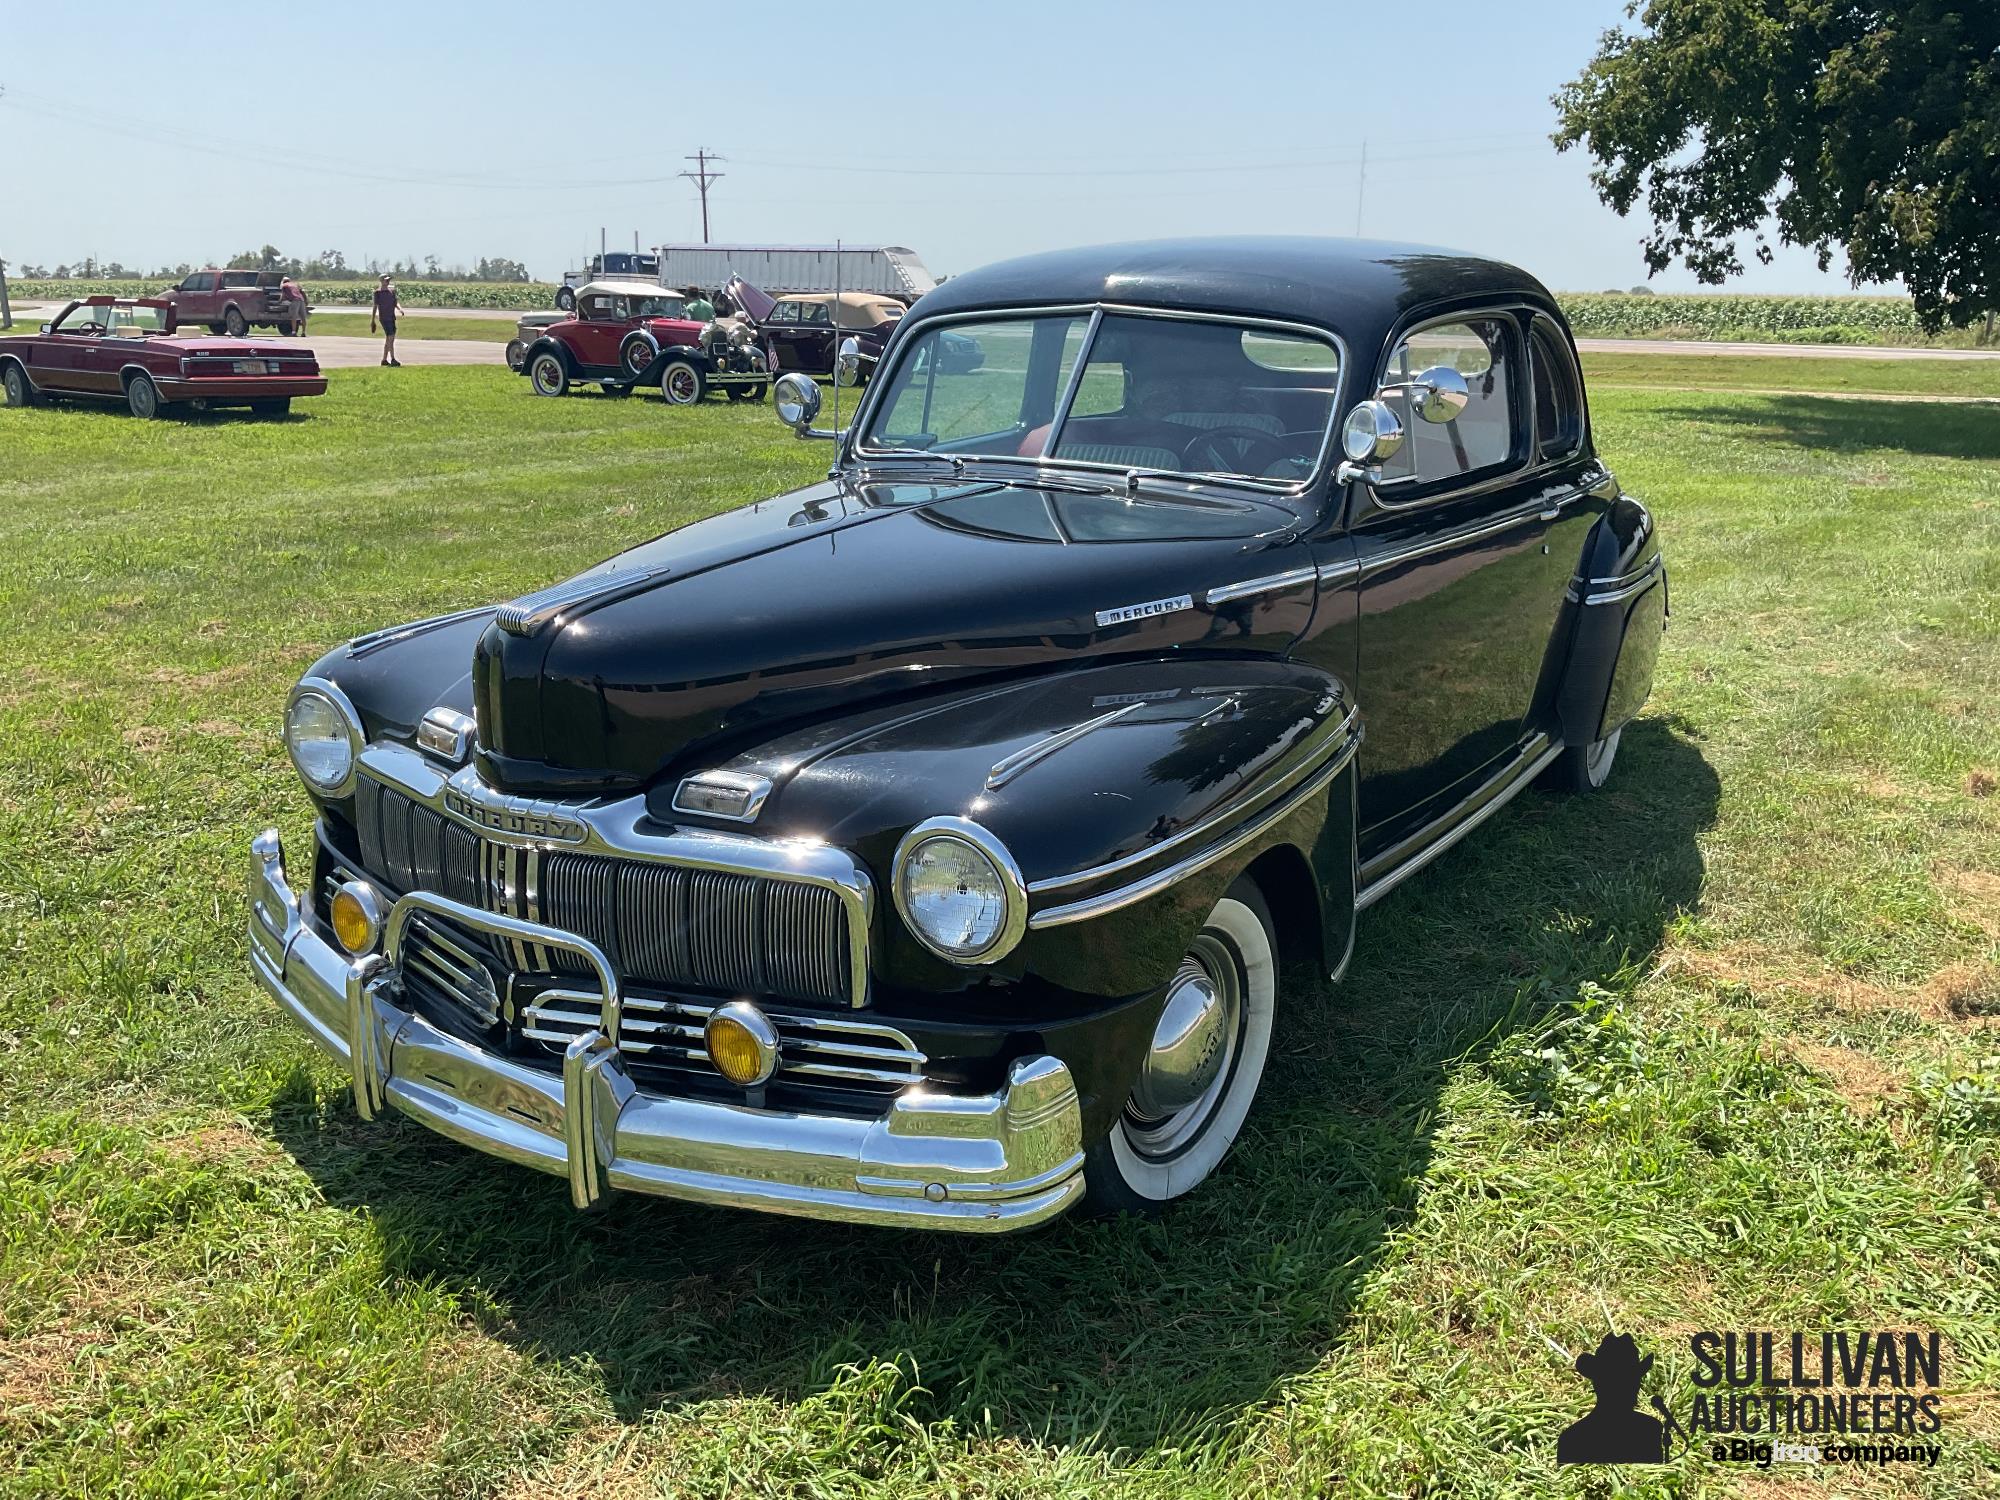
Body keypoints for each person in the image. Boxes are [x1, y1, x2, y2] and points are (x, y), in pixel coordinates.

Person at [370, 274, 403, 367]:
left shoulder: (392, 291)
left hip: (392, 317)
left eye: (389, 280)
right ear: (381, 281)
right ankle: (392, 359)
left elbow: (395, 302)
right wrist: (373, 320)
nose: (388, 282)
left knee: (389, 339)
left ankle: (384, 360)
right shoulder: (378, 293)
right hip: (384, 318)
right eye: (386, 280)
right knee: (391, 337)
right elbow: (375, 306)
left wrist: (400, 309)